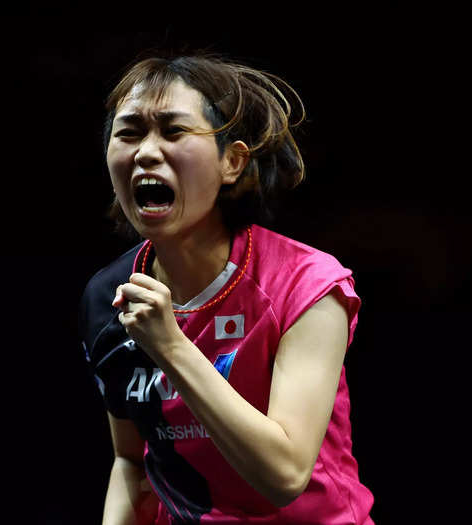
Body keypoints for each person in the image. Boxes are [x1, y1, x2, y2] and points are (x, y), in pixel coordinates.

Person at [79, 52, 375, 524]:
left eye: (173, 131)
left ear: (232, 162)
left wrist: (171, 346)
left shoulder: (306, 285)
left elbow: (284, 475)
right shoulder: (108, 295)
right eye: (129, 133)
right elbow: (132, 463)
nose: (146, 152)